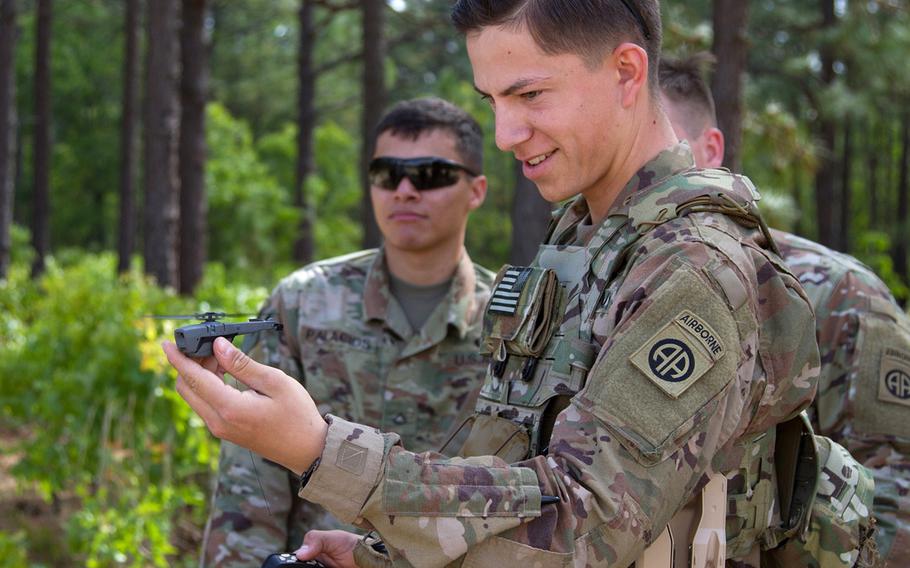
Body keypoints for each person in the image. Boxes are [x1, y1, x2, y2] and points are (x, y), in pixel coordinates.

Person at [165, 1, 825, 566]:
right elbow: (520, 469)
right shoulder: (584, 240)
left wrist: (319, 449)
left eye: (530, 95)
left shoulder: (694, 267)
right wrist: (381, 556)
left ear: (626, 72)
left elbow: (583, 527)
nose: (507, 134)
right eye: (493, 100)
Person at [198, 97, 496, 566]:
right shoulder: (303, 303)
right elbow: (250, 489)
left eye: (429, 175)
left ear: (476, 190)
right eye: (386, 174)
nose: (404, 190)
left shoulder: (512, 326)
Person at [660, 53, 908, 566]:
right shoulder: (598, 293)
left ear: (711, 150)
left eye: (657, 153)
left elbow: (894, 498)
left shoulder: (839, 296)